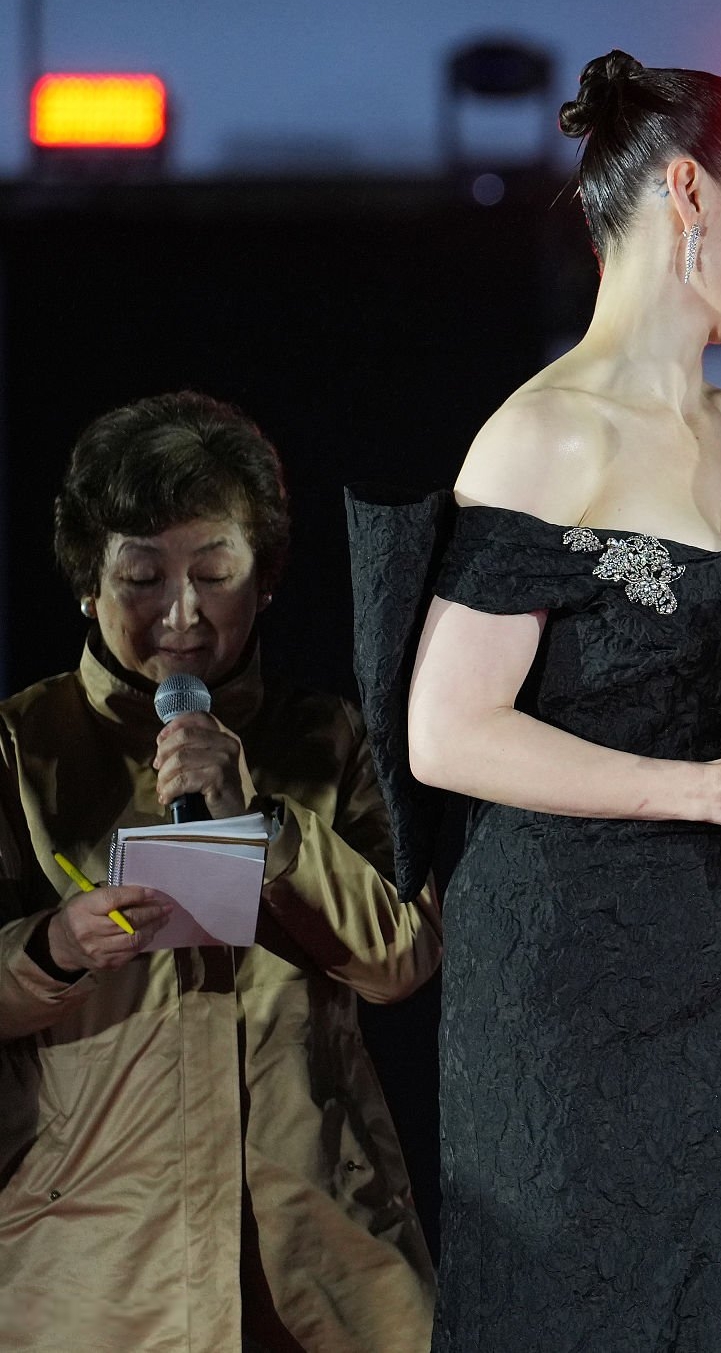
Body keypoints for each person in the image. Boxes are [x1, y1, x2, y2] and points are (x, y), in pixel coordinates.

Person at [346, 50, 721, 1351]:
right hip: (569, 989)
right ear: (688, 192)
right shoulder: (544, 435)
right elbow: (445, 730)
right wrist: (710, 792)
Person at [0, 392, 439, 1352]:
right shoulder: (22, 747)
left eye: (215, 572)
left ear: (265, 579)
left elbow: (403, 955)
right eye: (142, 576)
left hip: (324, 1263)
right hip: (98, 1272)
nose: (183, 613)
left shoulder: (330, 739)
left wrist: (267, 825)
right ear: (88, 585)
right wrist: (54, 947)